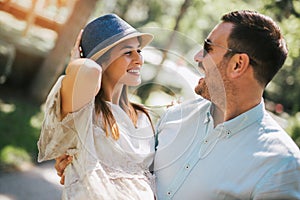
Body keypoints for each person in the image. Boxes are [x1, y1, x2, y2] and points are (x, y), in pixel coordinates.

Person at [55, 10, 300, 199]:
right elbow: (132, 175)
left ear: (238, 65)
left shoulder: (280, 165)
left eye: (208, 48)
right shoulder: (175, 117)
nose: (197, 57)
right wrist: (85, 162)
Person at [37, 13, 156, 200]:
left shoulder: (142, 116)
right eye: (127, 52)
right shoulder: (84, 110)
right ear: (101, 61)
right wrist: (77, 61)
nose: (139, 59)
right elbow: (88, 71)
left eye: (138, 50)